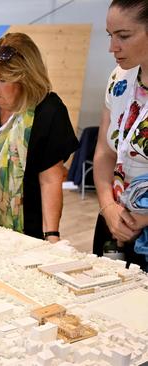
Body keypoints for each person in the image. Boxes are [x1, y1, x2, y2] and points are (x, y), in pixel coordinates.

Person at [0, 33, 78, 241]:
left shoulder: (47, 111)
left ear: (26, 78)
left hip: (21, 235)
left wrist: (52, 235)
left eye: (3, 80)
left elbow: (50, 180)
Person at [93, 0, 148, 268]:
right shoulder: (119, 78)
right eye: (110, 35)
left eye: (123, 36)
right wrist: (108, 208)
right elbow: (104, 151)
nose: (112, 47)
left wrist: (143, 218)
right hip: (115, 223)